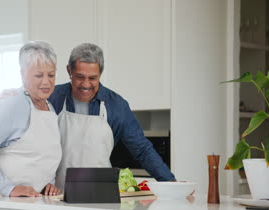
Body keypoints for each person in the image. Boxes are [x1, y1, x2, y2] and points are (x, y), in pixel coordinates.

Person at [48, 43, 175, 189]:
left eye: (92, 78)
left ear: (100, 74)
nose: (86, 84)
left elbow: (141, 149)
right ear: (69, 71)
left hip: (102, 193)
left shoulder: (116, 105)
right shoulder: (53, 97)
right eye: (80, 77)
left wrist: (170, 183)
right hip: (57, 195)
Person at [0, 40, 62, 210]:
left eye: (51, 75)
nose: (46, 82)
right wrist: (8, 189)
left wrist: (50, 183)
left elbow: (43, 156)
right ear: (22, 74)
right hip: (3, 201)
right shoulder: (12, 105)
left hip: (35, 202)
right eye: (38, 75)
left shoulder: (49, 108)